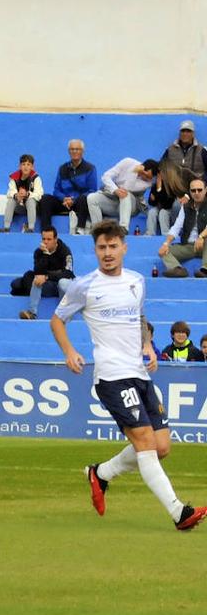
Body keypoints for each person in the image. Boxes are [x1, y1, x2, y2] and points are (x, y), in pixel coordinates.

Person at [51, 220, 207, 532]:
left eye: (112, 246)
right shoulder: (85, 285)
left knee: (161, 447)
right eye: (101, 247)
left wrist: (148, 345)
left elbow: (139, 316)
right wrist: (69, 350)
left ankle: (101, 473)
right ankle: (179, 513)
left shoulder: (136, 281)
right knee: (146, 443)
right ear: (95, 250)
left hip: (139, 372)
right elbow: (57, 319)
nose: (107, 253)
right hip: (111, 376)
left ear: (124, 247)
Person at [11, 227, 75, 320]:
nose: (45, 242)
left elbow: (68, 273)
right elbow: (38, 272)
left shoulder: (65, 251)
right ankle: (32, 313)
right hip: (49, 285)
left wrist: (47, 277)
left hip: (62, 286)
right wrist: (45, 254)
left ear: (55, 239)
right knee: (36, 279)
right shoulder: (38, 252)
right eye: (43, 239)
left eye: (49, 239)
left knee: (63, 283)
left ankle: (65, 314)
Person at [37, 139, 96, 233]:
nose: (74, 151)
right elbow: (56, 190)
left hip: (79, 203)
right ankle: (46, 231)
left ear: (82, 151)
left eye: (77, 149)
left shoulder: (90, 168)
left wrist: (73, 199)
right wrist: (64, 198)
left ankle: (80, 228)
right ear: (69, 151)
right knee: (45, 199)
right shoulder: (62, 168)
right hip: (63, 202)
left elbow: (92, 190)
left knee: (85, 198)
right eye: (72, 149)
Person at [85, 157, 160, 230]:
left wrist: (134, 172)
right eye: (144, 174)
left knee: (124, 193)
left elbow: (127, 188)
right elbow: (105, 176)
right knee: (91, 198)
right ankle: (98, 229)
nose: (145, 177)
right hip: (114, 202)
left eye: (148, 177)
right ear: (142, 166)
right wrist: (115, 190)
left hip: (131, 207)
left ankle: (123, 228)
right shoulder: (127, 162)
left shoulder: (149, 183)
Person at [157, 177, 207, 277]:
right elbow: (176, 227)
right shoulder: (185, 207)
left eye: (199, 190)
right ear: (190, 192)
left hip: (204, 245)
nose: (196, 193)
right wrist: (166, 243)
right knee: (163, 251)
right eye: (193, 190)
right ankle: (178, 269)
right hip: (189, 246)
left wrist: (201, 237)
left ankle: (205, 270)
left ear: (206, 190)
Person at [1, 153, 43, 233]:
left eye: (28, 164)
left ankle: (31, 228)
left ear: (32, 167)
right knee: (11, 200)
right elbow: (9, 192)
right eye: (23, 164)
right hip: (20, 207)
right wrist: (16, 195)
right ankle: (6, 227)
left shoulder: (36, 178)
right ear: (20, 166)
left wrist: (27, 194)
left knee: (31, 200)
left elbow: (39, 194)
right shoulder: (14, 178)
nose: (26, 167)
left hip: (33, 208)